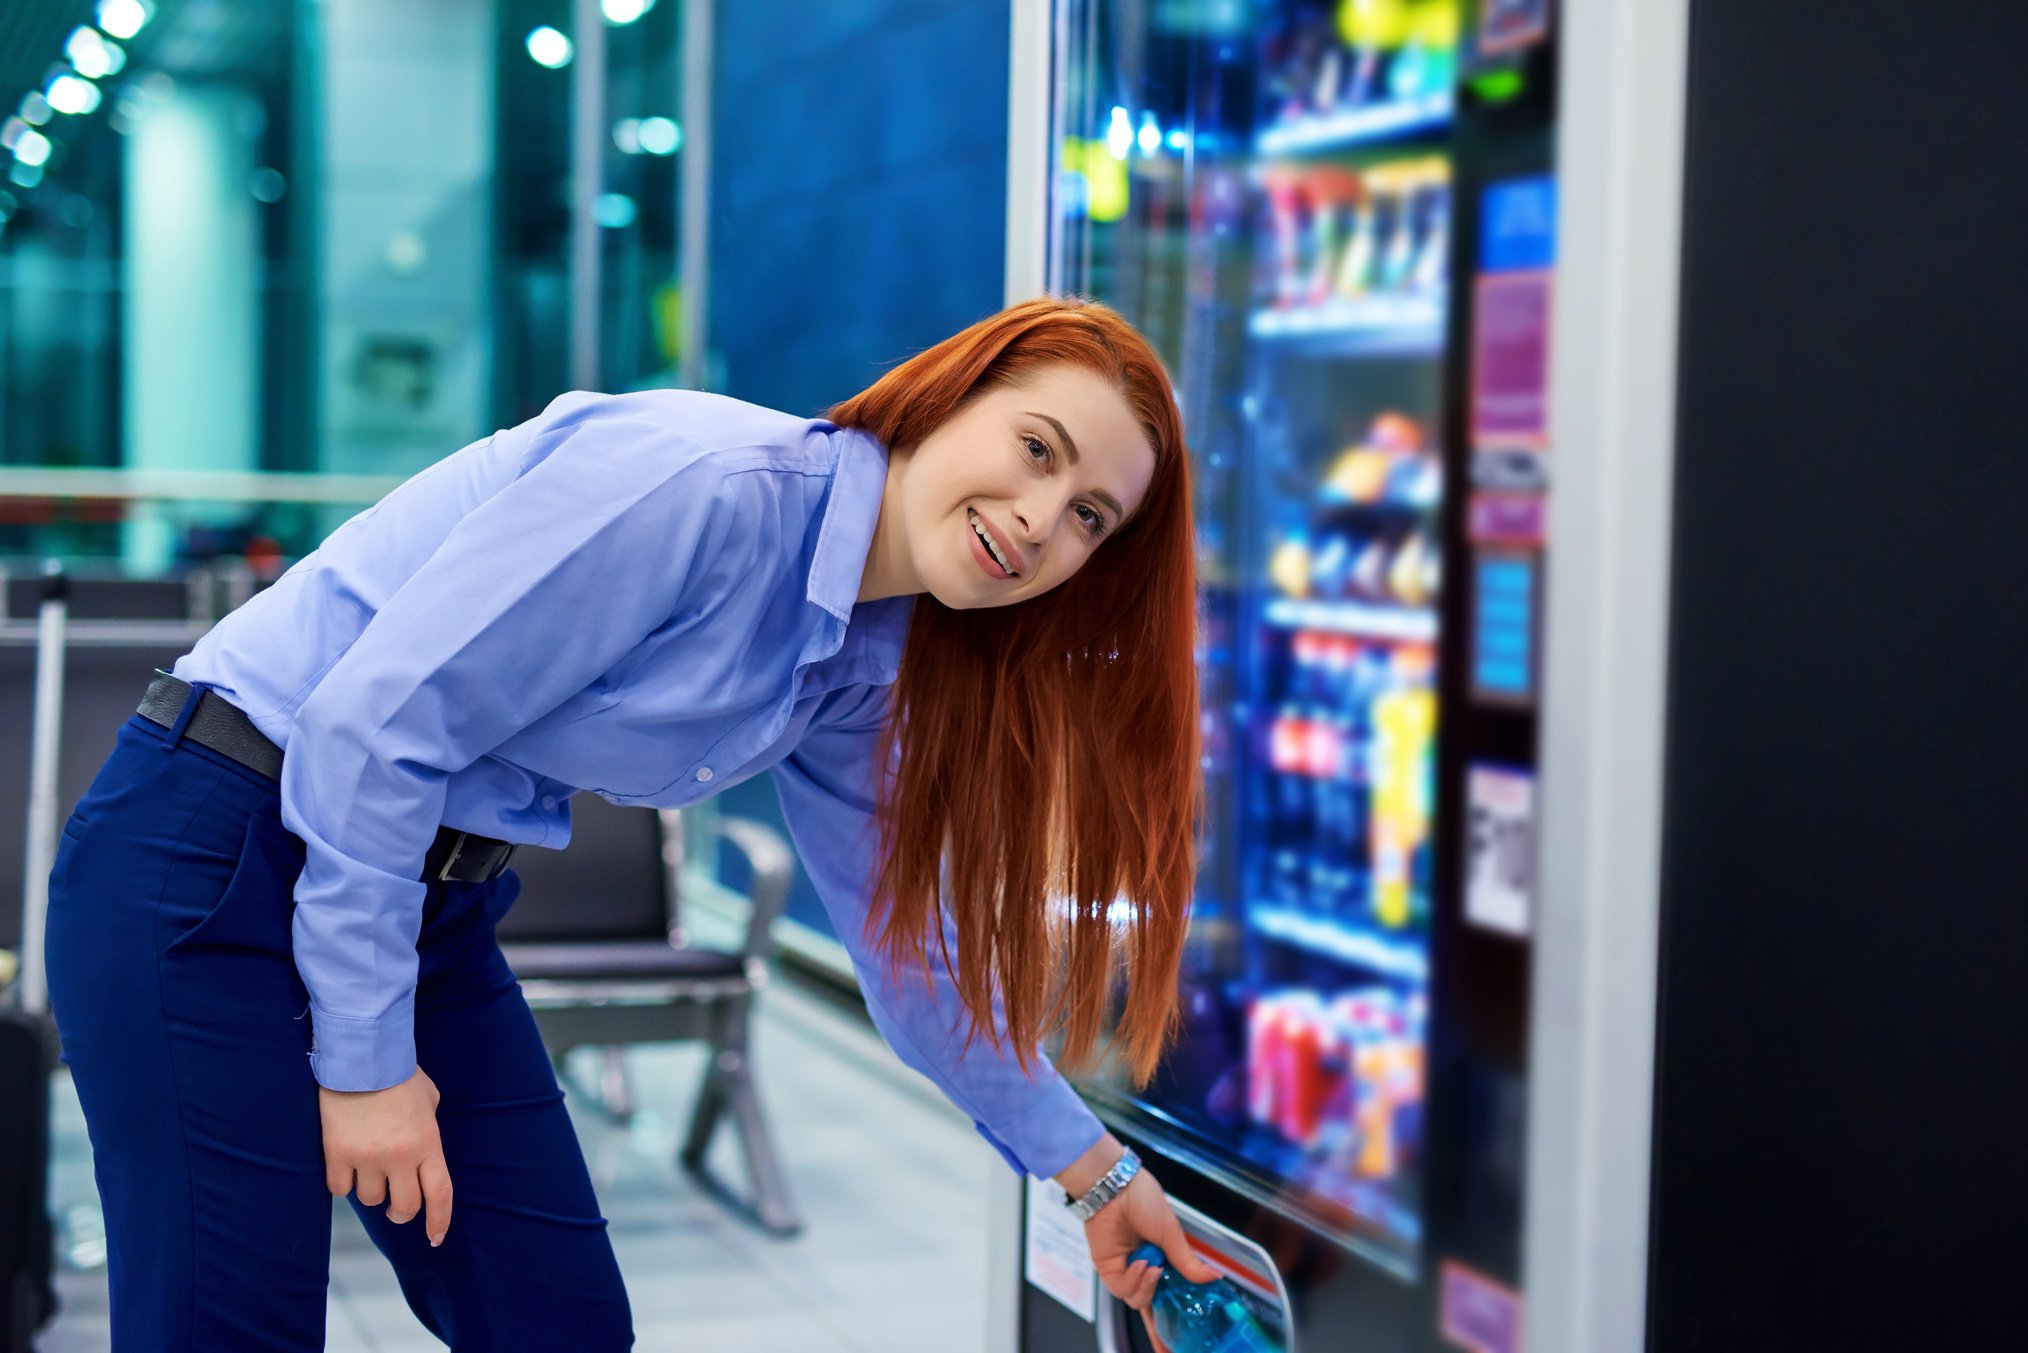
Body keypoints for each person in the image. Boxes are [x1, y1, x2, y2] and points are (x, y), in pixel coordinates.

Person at [43, 296, 1220, 1351]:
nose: (1039, 518)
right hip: (208, 856)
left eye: (1089, 517)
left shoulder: (868, 658)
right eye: (1034, 450)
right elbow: (373, 727)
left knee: (557, 1323)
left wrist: (1096, 1173)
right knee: (230, 1327)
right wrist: (365, 1066)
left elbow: (903, 950)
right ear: (948, 393)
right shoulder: (706, 485)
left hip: (420, 899)